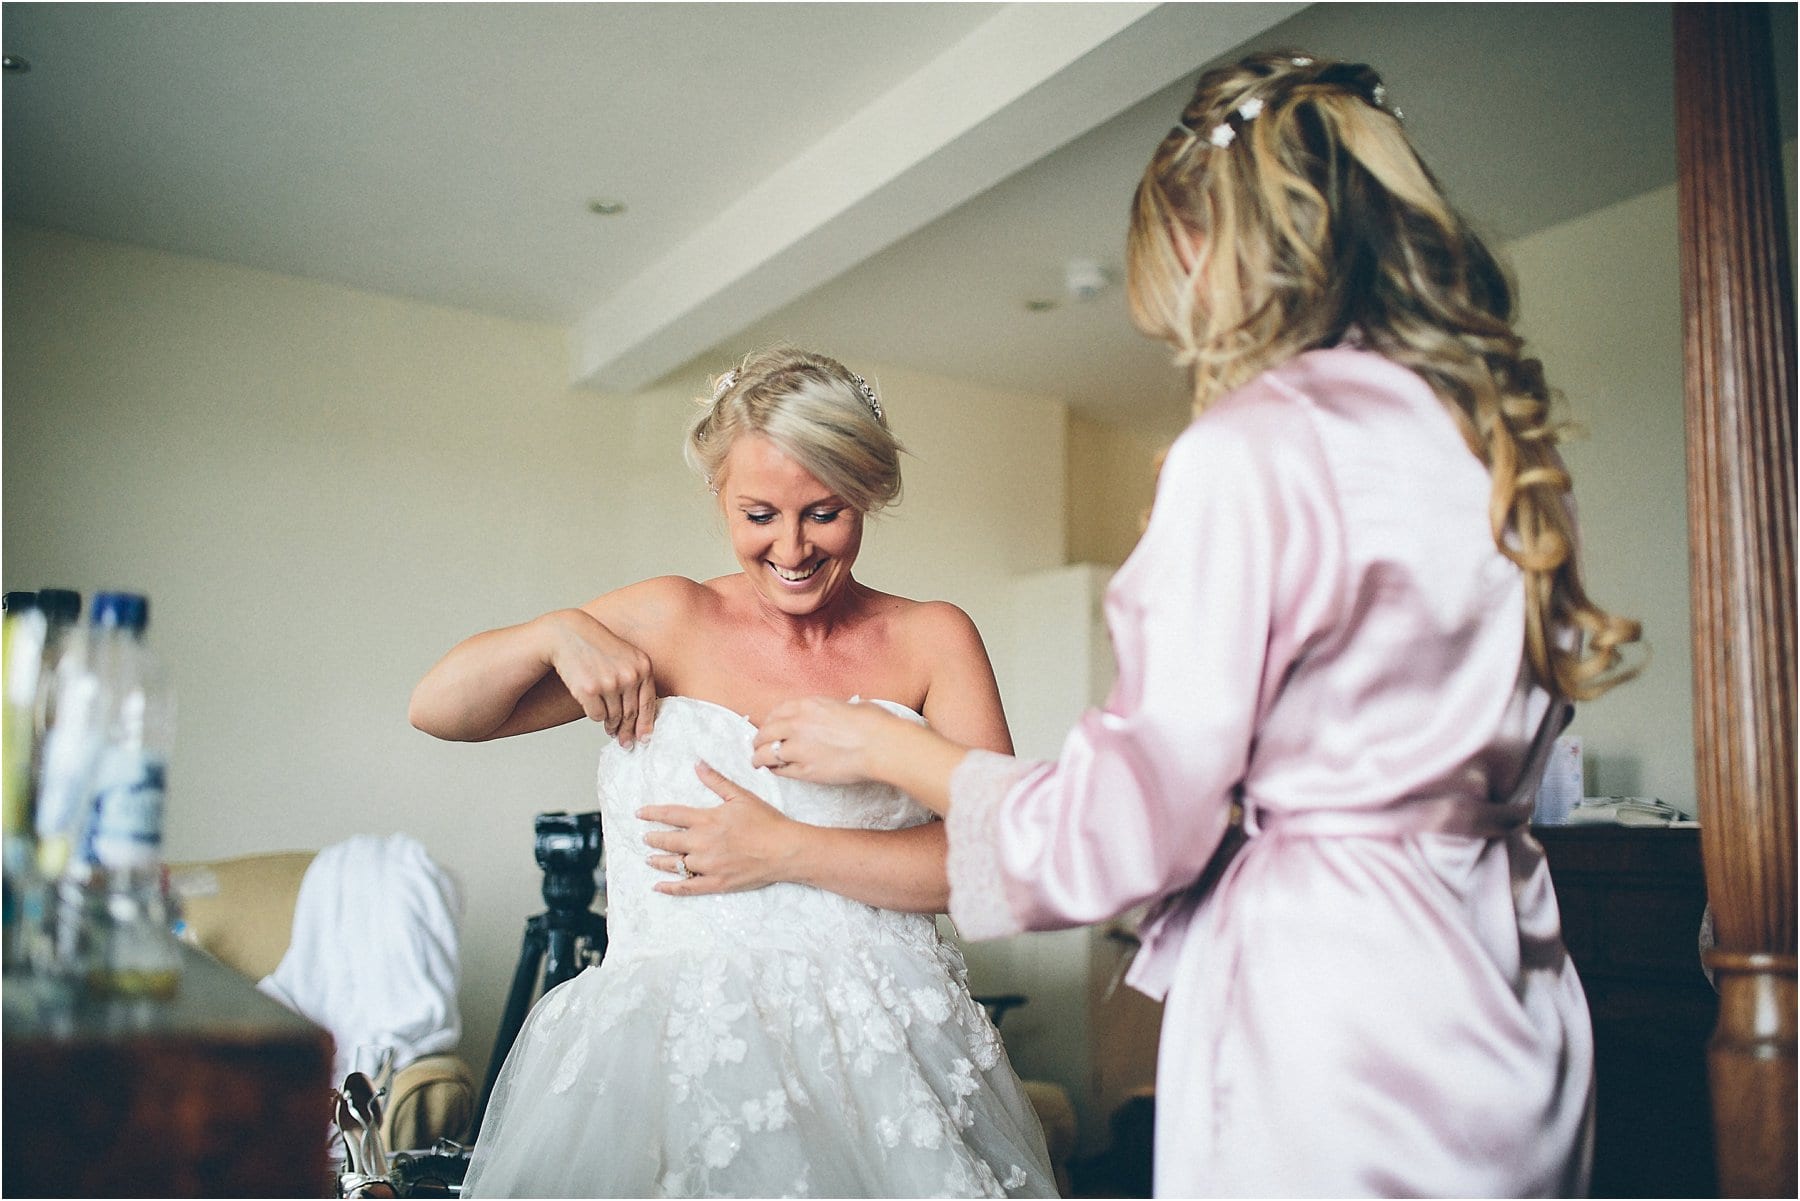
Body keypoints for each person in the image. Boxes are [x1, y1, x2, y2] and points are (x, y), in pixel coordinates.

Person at [742, 51, 1642, 1197]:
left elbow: (1128, 826)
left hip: (1337, 1006)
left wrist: (890, 749)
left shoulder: (1258, 449)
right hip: (1508, 977)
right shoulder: (1499, 450)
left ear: (1208, 245)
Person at [409, 346, 1056, 1198]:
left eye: (824, 513)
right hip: (669, 1054)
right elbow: (441, 707)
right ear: (719, 492)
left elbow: (1000, 861)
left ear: (865, 491)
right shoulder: (668, 619)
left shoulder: (933, 638)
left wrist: (788, 848)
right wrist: (553, 632)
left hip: (889, 1056)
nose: (792, 548)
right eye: (759, 514)